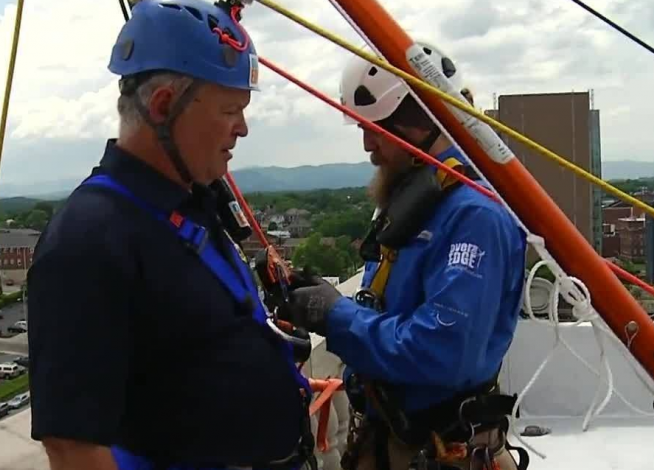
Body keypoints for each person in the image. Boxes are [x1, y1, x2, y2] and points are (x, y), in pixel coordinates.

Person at [26, 1, 315, 469]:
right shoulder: (89, 239)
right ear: (163, 106)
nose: (242, 128)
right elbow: (74, 448)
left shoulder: (190, 206)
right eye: (229, 110)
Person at [282, 42, 529, 470]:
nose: (367, 146)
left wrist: (336, 316)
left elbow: (443, 350)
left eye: (374, 129)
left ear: (415, 122)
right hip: (398, 437)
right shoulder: (420, 203)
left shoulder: (474, 217)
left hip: (442, 449)